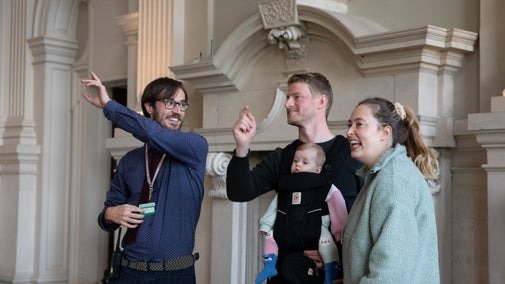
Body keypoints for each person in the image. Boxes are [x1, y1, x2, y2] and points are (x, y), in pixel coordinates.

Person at [227, 72, 362, 284]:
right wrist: (242, 146)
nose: (288, 104)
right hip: (287, 274)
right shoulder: (283, 157)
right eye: (287, 98)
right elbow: (239, 192)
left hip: (340, 276)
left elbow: (371, 220)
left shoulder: (352, 154)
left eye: (296, 97)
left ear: (321, 101)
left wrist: (340, 257)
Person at [81, 71, 208, 284]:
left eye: (183, 104)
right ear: (149, 107)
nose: (178, 110)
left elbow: (151, 134)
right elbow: (106, 218)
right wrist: (111, 214)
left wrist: (108, 105)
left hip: (175, 275)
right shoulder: (129, 161)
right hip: (128, 272)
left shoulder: (194, 147)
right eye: (170, 103)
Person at [343, 97, 440, 283]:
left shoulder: (393, 181)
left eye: (359, 124)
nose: (349, 132)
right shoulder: (382, 175)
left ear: (385, 132)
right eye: (350, 125)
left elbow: (390, 275)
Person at [256, 143, 348, 284]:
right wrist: (266, 225)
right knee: (270, 236)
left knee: (326, 243)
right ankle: (269, 265)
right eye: (295, 161)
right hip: (286, 234)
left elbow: (339, 211)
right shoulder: (285, 186)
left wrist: (340, 234)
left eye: (305, 162)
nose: (298, 165)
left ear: (318, 169)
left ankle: (331, 271)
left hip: (316, 231)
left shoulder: (326, 187)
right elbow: (275, 207)